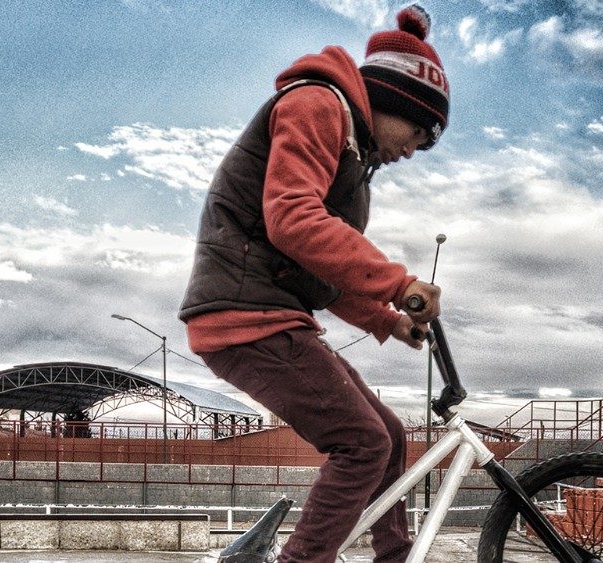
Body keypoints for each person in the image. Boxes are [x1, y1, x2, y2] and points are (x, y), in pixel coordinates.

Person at [179, 5, 448, 561]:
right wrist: (398, 284)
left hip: (272, 313)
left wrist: (388, 321)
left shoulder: (351, 154)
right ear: (394, 100)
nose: (411, 151)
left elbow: (322, 269)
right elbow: (293, 219)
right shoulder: (317, 105)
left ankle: (394, 557)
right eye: (417, 133)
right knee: (362, 443)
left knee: (390, 436)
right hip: (245, 316)